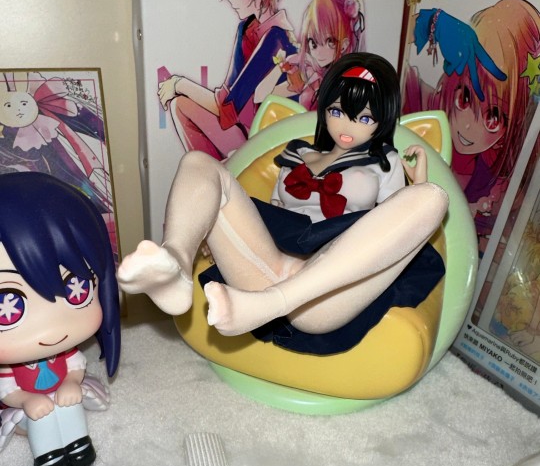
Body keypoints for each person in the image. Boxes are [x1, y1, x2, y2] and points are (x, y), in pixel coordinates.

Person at [119, 52, 447, 354]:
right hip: (267, 266)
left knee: (433, 197)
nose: (347, 126)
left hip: (326, 291)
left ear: (382, 120)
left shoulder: (384, 163)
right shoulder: (296, 154)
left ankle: (268, 304)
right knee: (198, 162)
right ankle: (175, 265)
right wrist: (212, 229)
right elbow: (270, 215)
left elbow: (396, 229)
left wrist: (417, 183)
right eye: (337, 112)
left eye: (363, 118)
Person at [0, 172, 120, 466]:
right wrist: (26, 401)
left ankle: (79, 447)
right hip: (27, 410)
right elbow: (8, 391)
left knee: (70, 405)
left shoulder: (66, 352)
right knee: (41, 417)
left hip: (63, 395)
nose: (52, 329)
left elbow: (75, 367)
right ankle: (48, 458)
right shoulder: (10, 368)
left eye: (76, 288)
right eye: (8, 305)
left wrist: (71, 383)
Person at [404, 0, 540, 247]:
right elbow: (388, 51)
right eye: (465, 97)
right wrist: (430, 22)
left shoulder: (495, 176)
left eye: (493, 117)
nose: (467, 126)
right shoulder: (420, 103)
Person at [158, 0, 298, 160]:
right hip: (245, 134)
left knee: (182, 102)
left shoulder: (277, 38)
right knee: (181, 106)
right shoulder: (246, 29)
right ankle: (214, 174)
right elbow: (226, 98)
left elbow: (226, 108)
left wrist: (179, 83)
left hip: (267, 147)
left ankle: (220, 174)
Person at [255, 0, 365, 111]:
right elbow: (259, 96)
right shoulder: (310, 75)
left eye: (329, 41)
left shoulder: (349, 81)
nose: (319, 52)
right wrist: (281, 67)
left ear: (344, 45)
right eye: (313, 43)